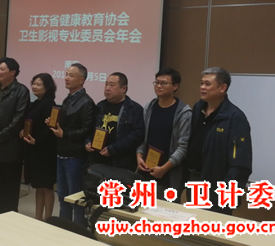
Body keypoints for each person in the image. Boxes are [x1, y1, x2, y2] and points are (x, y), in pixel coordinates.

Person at [187, 67, 252, 214]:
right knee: (194, 221)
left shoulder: (235, 118)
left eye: (207, 84)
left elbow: (240, 162)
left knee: (212, 225)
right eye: (201, 83)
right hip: (195, 180)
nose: (202, 87)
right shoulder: (198, 108)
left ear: (223, 88)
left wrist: (228, 192)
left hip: (218, 187)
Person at [0, 57, 29, 215]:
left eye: (2, 69)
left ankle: (9, 216)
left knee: (10, 185)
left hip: (10, 145)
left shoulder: (21, 91)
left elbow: (19, 118)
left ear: (13, 72)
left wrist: (3, 135)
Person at [136, 68, 192, 201]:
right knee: (140, 209)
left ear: (175, 86)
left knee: (163, 211)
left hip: (168, 175)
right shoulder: (149, 107)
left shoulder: (184, 113)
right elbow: (143, 136)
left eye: (163, 83)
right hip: (146, 170)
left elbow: (183, 147)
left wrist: (163, 169)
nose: (158, 86)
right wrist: (139, 155)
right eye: (156, 82)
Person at [49, 63, 94, 226]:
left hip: (75, 157)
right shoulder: (68, 98)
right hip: (62, 153)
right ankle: (64, 228)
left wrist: (64, 134)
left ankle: (78, 231)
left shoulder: (86, 102)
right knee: (62, 196)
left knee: (76, 199)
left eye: (71, 75)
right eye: (66, 74)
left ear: (81, 80)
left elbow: (86, 129)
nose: (66, 78)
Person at [85, 72, 144, 171]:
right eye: (106, 84)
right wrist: (88, 141)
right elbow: (91, 128)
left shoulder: (134, 109)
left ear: (124, 88)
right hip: (97, 161)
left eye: (112, 85)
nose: (107, 88)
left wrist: (114, 149)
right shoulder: (100, 106)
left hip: (120, 163)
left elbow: (137, 135)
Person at [23, 73, 57, 221]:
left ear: (47, 87)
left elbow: (50, 129)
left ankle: (48, 218)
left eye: (38, 84)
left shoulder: (50, 104)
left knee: (47, 187)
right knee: (38, 185)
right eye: (33, 84)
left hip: (45, 150)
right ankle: (37, 217)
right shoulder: (36, 102)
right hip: (34, 149)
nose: (34, 87)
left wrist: (37, 140)